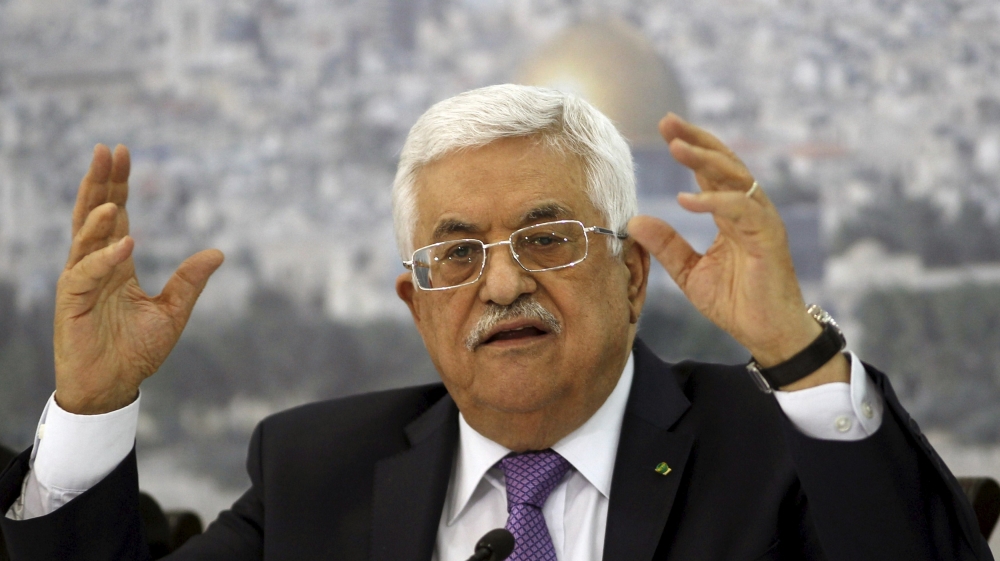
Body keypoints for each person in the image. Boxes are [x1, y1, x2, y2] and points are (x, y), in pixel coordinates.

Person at [0, 85, 991, 560]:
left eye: (549, 239)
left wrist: (798, 354)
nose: (503, 283)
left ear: (631, 276)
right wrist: (94, 405)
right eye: (456, 254)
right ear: (414, 305)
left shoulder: (773, 452)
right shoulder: (315, 472)